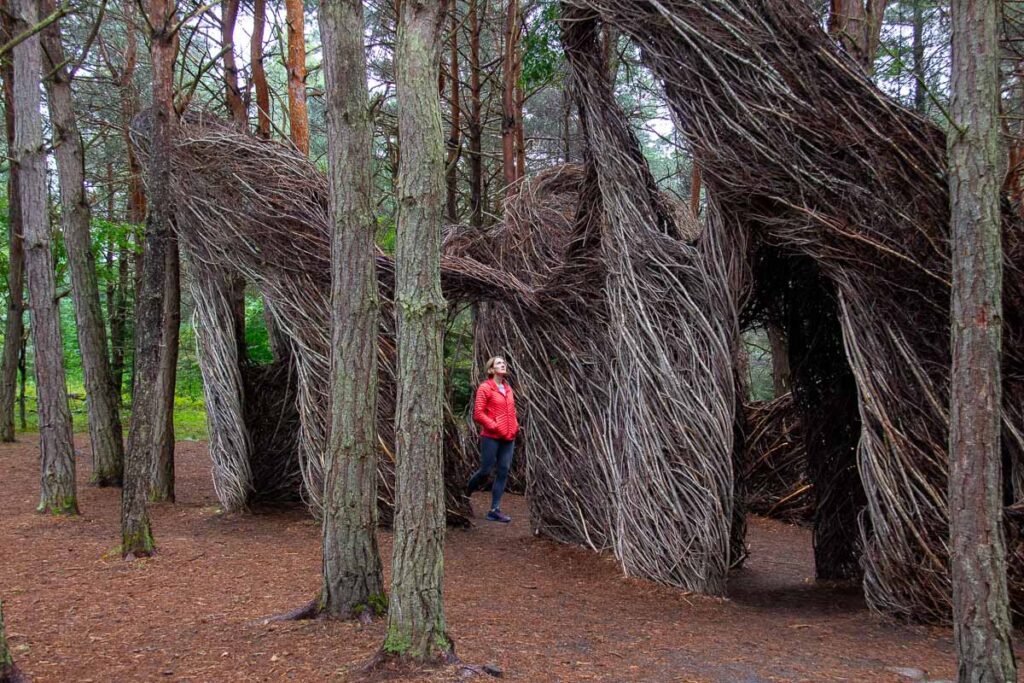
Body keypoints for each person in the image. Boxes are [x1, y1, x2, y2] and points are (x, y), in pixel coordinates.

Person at [467, 356, 519, 523]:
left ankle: (494, 510)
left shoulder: (508, 388)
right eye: (498, 363)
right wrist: (494, 425)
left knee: (503, 470)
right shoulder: (485, 388)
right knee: (486, 470)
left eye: (504, 363)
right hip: (491, 436)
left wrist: (515, 426)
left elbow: (512, 411)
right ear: (491, 370)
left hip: (509, 437)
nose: (503, 364)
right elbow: (478, 413)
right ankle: (464, 495)